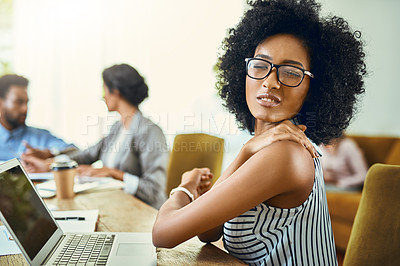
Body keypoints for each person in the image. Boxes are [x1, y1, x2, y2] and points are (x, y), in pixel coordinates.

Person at [152, 0, 366, 265]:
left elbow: (163, 233)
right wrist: (247, 149)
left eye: (290, 72)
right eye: (260, 65)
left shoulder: (287, 155)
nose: (270, 81)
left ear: (316, 86)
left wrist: (184, 188)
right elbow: (209, 231)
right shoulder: (264, 148)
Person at [22, 64, 169, 209]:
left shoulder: (150, 132)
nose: (103, 96)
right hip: (116, 205)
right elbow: (86, 155)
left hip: (142, 212)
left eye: (104, 90)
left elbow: (154, 191)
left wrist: (113, 173)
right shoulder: (117, 128)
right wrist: (50, 159)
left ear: (116, 92)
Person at [0, 74, 76, 162]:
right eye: (19, 102)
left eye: (26, 102)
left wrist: (51, 153)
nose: (25, 108)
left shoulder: (41, 137)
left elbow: (76, 152)